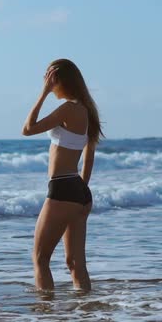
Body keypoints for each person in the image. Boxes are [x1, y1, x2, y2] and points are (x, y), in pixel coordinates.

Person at [21, 58, 104, 292]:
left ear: (59, 81)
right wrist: (80, 190)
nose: (47, 83)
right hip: (79, 191)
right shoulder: (88, 111)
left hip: (62, 188)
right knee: (75, 264)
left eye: (49, 79)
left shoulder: (68, 109)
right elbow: (88, 158)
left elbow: (27, 129)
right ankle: (87, 311)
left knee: (40, 259)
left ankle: (45, 314)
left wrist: (43, 93)